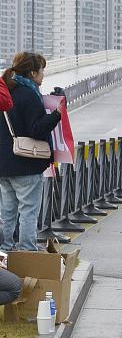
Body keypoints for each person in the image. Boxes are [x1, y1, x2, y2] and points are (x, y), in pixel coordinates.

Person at [1, 52, 58, 252]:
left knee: (7, 211)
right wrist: (57, 114)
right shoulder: (29, 95)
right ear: (33, 72)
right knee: (28, 210)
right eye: (42, 70)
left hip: (4, 165)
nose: (43, 75)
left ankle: (5, 250)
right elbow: (36, 129)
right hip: (25, 163)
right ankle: (27, 250)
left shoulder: (5, 91)